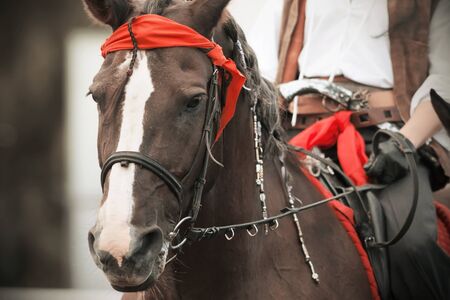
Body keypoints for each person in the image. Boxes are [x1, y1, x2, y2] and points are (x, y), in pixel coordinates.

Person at [248, 0, 450, 299]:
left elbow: (445, 79)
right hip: (293, 135)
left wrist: (405, 141)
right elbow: (254, 68)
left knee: (411, 243)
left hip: (386, 139)